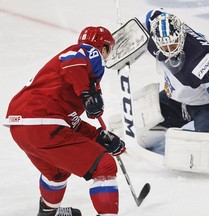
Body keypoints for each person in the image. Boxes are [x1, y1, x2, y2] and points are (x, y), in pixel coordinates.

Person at [4, 26, 126, 216]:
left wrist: (98, 136)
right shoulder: (86, 52)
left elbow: (71, 121)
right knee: (105, 165)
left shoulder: (63, 85)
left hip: (21, 125)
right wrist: (86, 93)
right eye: (107, 50)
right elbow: (72, 58)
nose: (107, 56)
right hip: (42, 120)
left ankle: (48, 213)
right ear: (102, 47)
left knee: (57, 173)